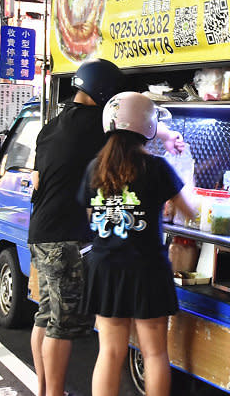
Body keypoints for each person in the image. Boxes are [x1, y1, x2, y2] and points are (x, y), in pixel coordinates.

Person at [28, 59, 185, 396]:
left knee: (48, 315)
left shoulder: (52, 125)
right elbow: (133, 139)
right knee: (63, 323)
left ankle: (45, 390)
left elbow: (37, 179)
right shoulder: (94, 127)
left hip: (41, 230)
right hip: (68, 237)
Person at [78, 92, 196, 396]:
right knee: (154, 353)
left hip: (106, 267)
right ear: (149, 126)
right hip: (147, 269)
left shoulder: (95, 168)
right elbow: (188, 214)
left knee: (110, 352)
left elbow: (92, 214)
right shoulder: (156, 167)